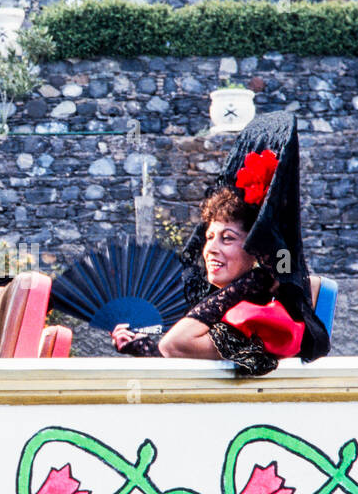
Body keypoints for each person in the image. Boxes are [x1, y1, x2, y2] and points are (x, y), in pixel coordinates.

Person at [113, 111, 330, 375]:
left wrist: (252, 281)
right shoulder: (233, 304)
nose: (211, 249)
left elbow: (176, 344)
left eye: (227, 238)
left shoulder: (263, 313)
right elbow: (192, 357)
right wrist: (142, 347)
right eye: (209, 238)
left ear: (256, 252)